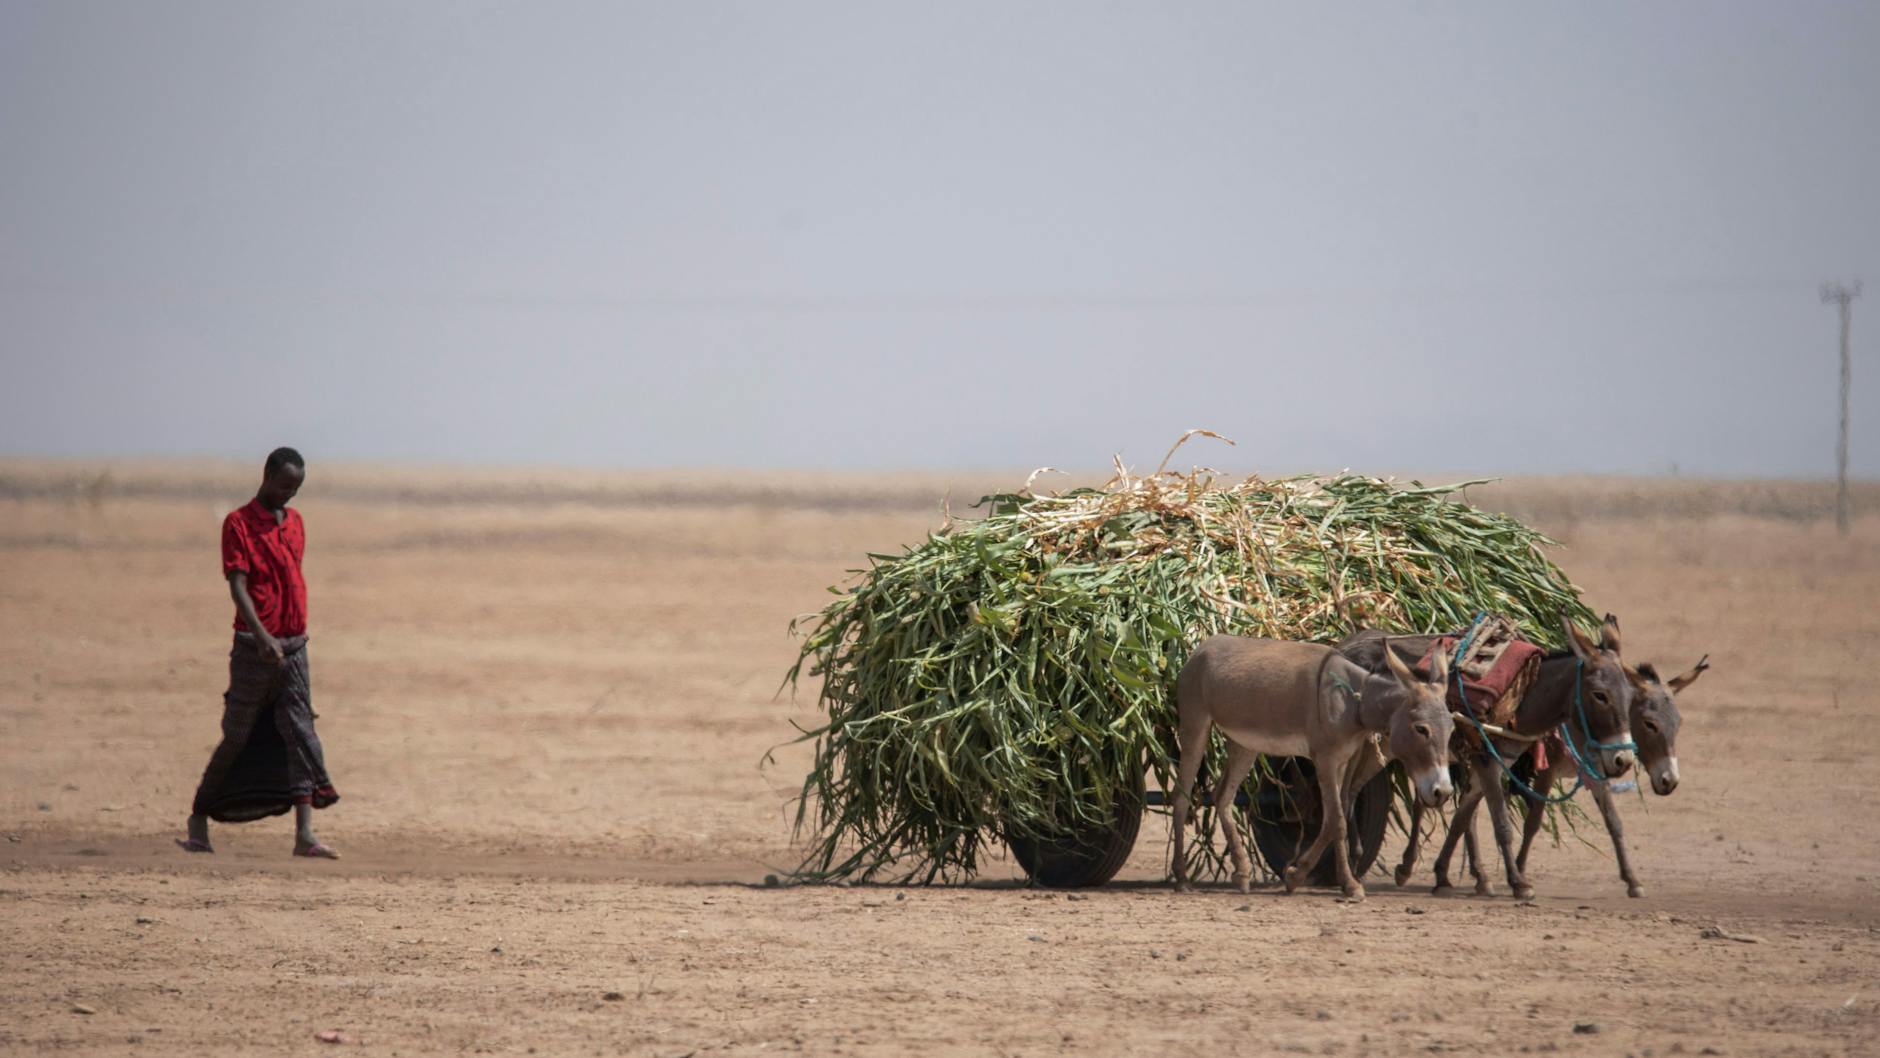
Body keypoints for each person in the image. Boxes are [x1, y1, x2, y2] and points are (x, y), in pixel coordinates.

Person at [177, 447, 340, 858]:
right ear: (266, 476)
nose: (290, 494)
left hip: (295, 645)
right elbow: (237, 584)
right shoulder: (239, 523)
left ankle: (305, 834)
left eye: (297, 487)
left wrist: (287, 636)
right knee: (237, 734)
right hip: (254, 647)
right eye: (285, 485)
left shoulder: (296, 523)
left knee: (299, 732)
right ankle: (198, 816)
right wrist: (262, 634)